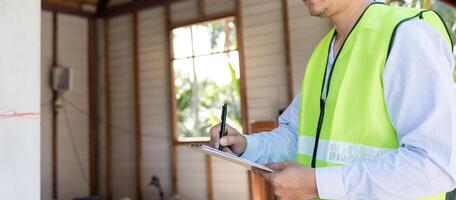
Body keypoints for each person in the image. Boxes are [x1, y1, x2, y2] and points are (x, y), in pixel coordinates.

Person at [209, 0, 456, 199]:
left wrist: (317, 183)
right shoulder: (323, 52)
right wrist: (246, 146)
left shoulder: (407, 35)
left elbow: (435, 164)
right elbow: (300, 136)